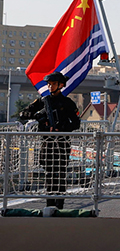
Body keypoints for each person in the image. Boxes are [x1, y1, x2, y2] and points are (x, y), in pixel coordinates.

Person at [20, 72, 81, 209]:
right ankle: (49, 203)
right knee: (49, 173)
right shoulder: (43, 101)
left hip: (61, 142)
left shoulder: (67, 103)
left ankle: (59, 204)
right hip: (47, 142)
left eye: (53, 84)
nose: (50, 86)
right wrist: (37, 116)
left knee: (60, 173)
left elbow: (76, 123)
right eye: (49, 84)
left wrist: (62, 128)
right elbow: (23, 114)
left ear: (60, 85)